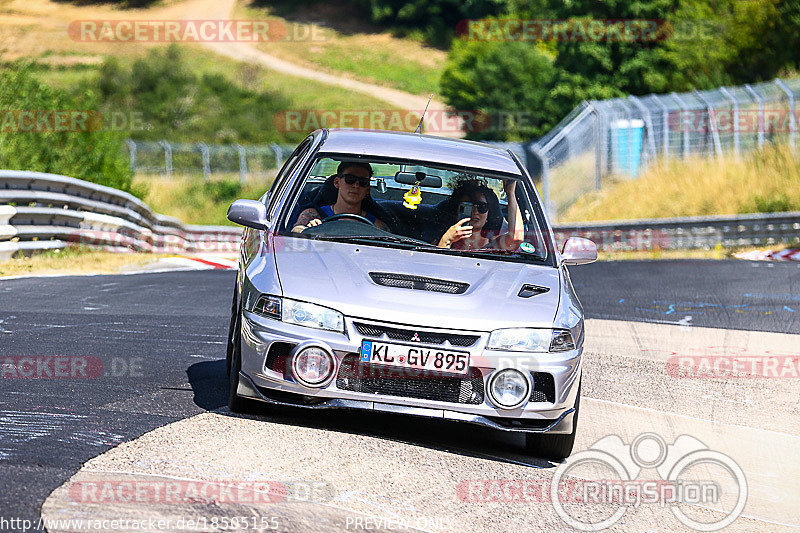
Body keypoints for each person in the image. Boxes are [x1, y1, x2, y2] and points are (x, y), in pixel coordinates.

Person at [291, 161, 388, 233]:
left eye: (363, 182)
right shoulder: (314, 214)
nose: (356, 185)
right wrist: (308, 229)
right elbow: (296, 231)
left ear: (368, 189)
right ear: (337, 182)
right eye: (350, 179)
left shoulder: (376, 225)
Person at [437, 178, 524, 251]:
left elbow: (516, 238)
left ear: (489, 213)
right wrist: (447, 240)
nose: (475, 211)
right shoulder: (444, 235)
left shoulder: (491, 244)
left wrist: (510, 193)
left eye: (481, 206)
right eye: (468, 206)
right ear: (456, 209)